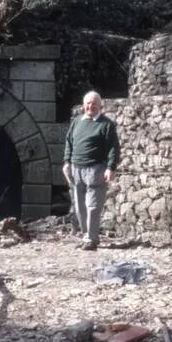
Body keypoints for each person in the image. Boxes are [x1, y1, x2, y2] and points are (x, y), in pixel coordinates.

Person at [62, 91, 120, 251]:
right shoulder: (77, 122)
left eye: (94, 103)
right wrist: (66, 162)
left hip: (96, 169)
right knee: (80, 206)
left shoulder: (106, 124)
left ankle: (91, 239)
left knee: (93, 205)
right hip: (76, 169)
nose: (91, 106)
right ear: (83, 105)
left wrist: (111, 167)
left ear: (100, 105)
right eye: (88, 103)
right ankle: (86, 235)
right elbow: (69, 142)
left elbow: (113, 148)